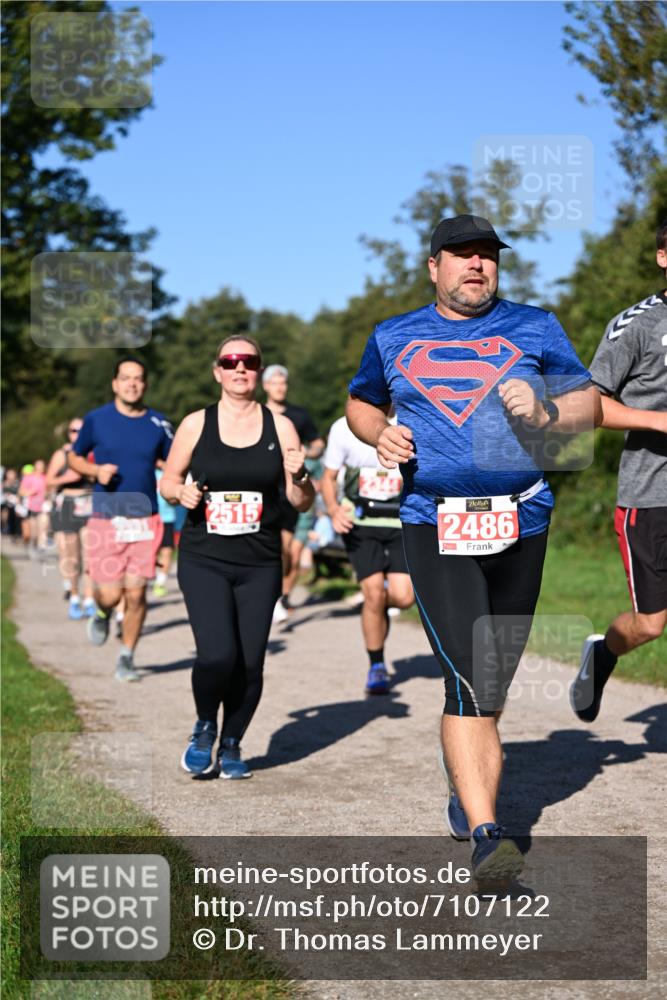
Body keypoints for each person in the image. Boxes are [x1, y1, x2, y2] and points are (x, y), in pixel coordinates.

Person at [346, 213, 600, 884]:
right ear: (433, 266)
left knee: (490, 681)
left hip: (522, 522)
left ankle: (463, 777)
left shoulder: (536, 327)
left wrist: (547, 412)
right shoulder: (392, 335)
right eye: (460, 255)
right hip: (434, 521)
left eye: (485, 254)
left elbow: (586, 406)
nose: (475, 265)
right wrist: (380, 435)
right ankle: (489, 836)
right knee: (464, 680)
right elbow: (361, 404)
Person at [160, 336, 315, 779]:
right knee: (216, 655)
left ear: (259, 371)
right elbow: (167, 481)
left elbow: (301, 502)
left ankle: (232, 743)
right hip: (204, 556)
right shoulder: (195, 424)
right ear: (217, 371)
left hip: (260, 561)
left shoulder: (280, 427)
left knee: (250, 662)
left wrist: (301, 476)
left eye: (248, 362)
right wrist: (181, 491)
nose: (239, 368)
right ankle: (205, 726)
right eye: (230, 361)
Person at [571, 218, 667, 723]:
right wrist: (659, 421)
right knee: (651, 625)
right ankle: (603, 654)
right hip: (651, 498)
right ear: (662, 257)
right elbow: (589, 405)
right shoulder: (636, 325)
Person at [68, 357, 173, 682]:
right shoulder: (96, 420)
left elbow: (175, 462)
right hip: (106, 518)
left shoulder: (159, 423)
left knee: (137, 594)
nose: (132, 384)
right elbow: (73, 456)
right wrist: (95, 470)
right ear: (115, 383)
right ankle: (101, 611)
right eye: (126, 378)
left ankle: (127, 656)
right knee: (113, 595)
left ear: (145, 384)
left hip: (146, 518)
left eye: (138, 378)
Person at [321, 414, 414, 695]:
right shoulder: (342, 426)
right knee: (373, 593)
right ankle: (376, 666)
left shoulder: (410, 419)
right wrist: (333, 510)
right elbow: (328, 477)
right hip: (360, 524)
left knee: (403, 597)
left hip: (401, 522)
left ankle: (374, 610)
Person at [262, 364, 325, 621]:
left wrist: (304, 455)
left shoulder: (298, 416)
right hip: (265, 488)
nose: (280, 387)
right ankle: (272, 596)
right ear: (265, 386)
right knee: (276, 548)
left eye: (283, 383)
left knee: (290, 552)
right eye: (275, 383)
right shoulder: (257, 414)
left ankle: (281, 596)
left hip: (293, 488)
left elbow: (318, 444)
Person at [46, 419, 96, 619]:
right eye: (73, 430)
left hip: (90, 503)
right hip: (68, 504)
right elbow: (48, 481)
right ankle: (74, 597)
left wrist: (89, 473)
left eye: (81, 430)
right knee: (71, 556)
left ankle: (90, 599)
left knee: (91, 555)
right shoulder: (62, 454)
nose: (77, 433)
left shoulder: (93, 453)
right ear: (69, 433)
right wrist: (67, 478)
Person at [152, 468, 185, 597]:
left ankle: (160, 582)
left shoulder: (172, 473)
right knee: (151, 551)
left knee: (167, 549)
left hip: (167, 517)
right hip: (149, 517)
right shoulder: (149, 470)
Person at [19, 460, 48, 556]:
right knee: (34, 531)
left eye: (42, 466)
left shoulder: (46, 478)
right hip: (31, 507)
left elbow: (49, 490)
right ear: (35, 466)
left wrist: (48, 495)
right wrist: (30, 492)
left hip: (43, 507)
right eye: (38, 465)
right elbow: (21, 492)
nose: (40, 467)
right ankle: (32, 546)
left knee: (43, 526)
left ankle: (42, 546)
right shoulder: (28, 478)